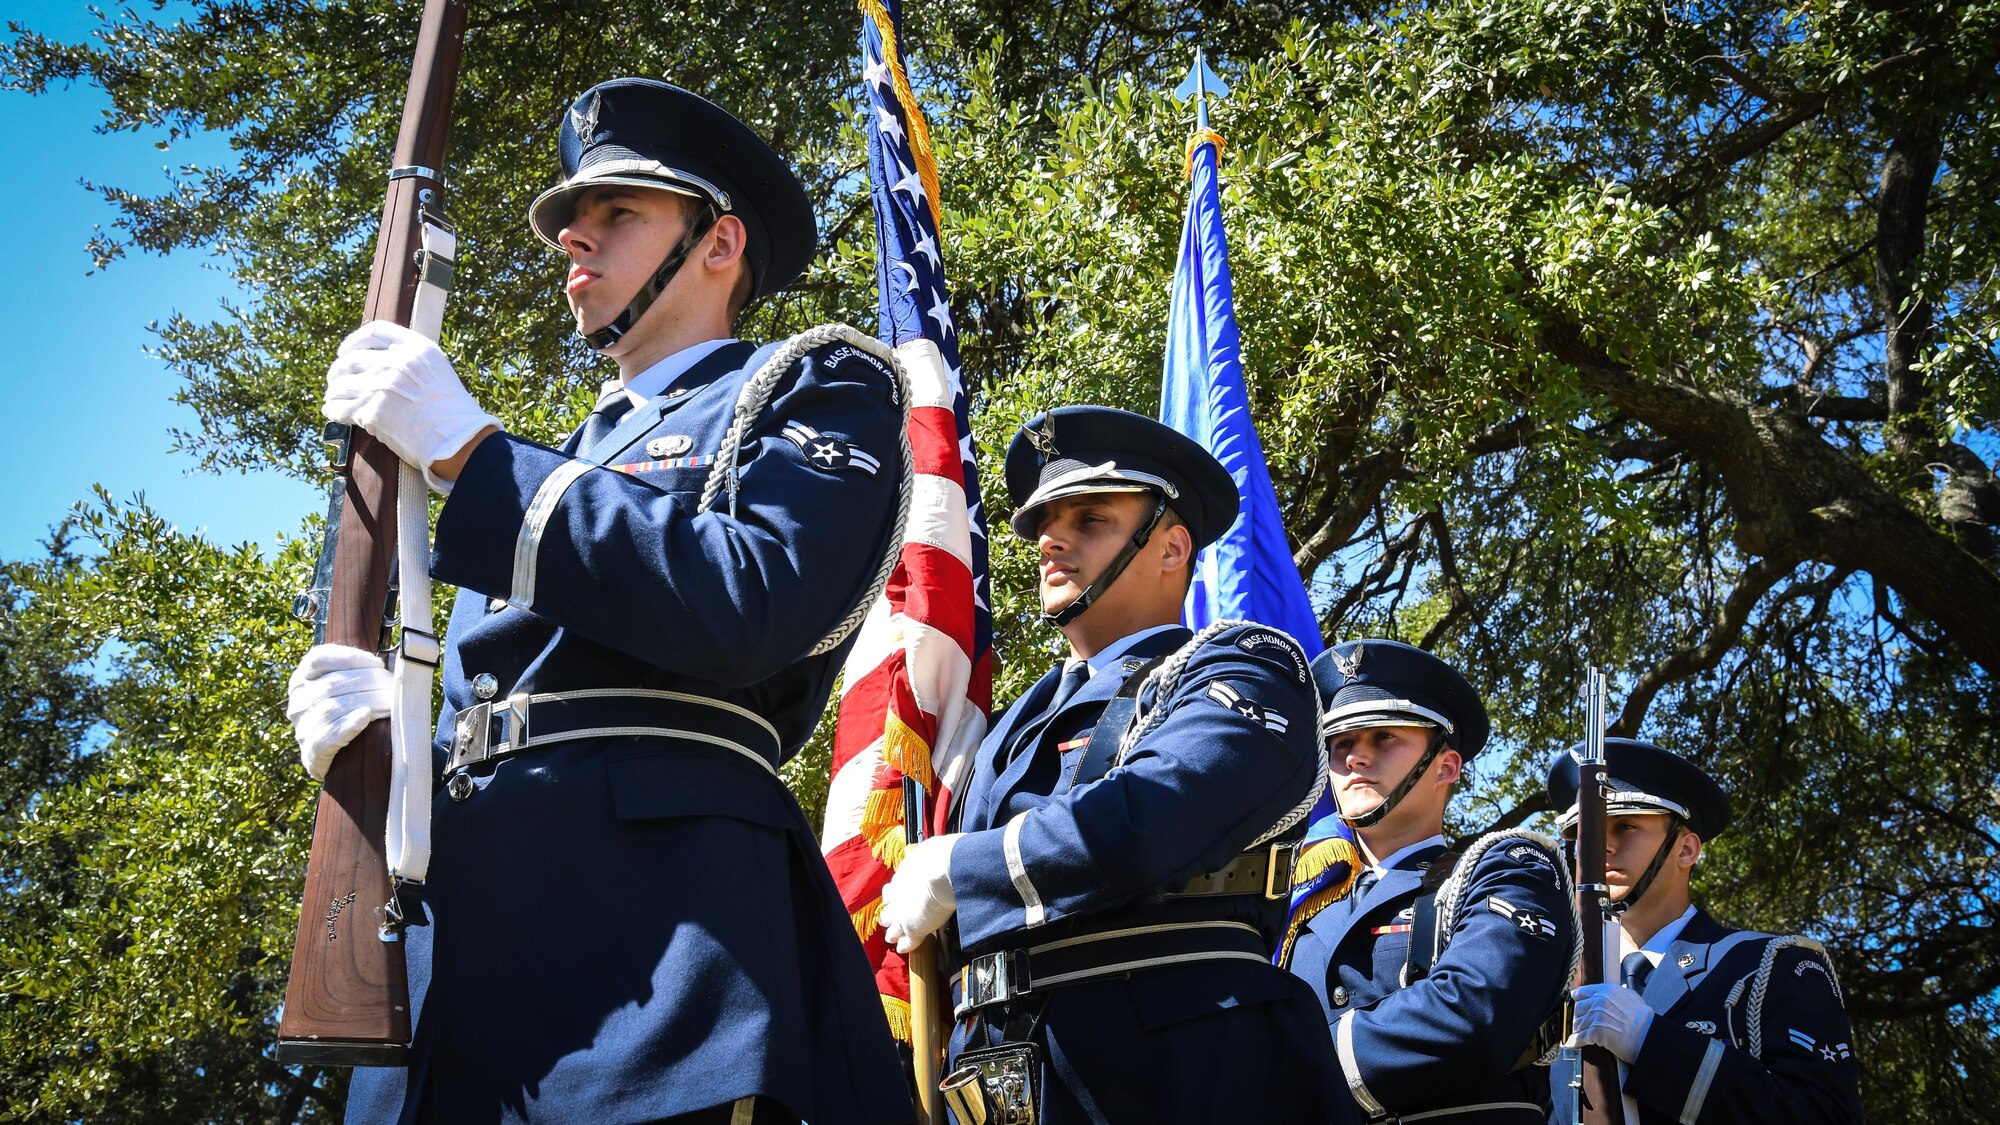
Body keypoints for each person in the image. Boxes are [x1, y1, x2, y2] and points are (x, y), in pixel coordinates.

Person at [283, 77, 912, 1124]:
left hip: (659, 931)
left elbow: (749, 600)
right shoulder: (551, 462)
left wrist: (473, 456)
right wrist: (383, 742)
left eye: (617, 212)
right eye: (571, 218)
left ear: (718, 244)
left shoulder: (813, 388)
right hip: (473, 954)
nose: (574, 236)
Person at [877, 405, 1342, 1124]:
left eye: (1090, 519)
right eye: (1043, 525)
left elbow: (1154, 811)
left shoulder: (1246, 667)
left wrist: (961, 869)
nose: (1052, 539)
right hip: (1007, 1081)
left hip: (1185, 1075)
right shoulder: (1006, 727)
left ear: (1171, 547)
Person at [1282, 639, 1579, 1123]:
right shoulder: (1299, 898)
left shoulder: (1508, 869)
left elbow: (1475, 1015)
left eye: (1383, 738)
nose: (1356, 758)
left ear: (1446, 766)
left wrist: (1284, 1072)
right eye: (1342, 745)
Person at [1546, 738, 1863, 1124]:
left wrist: (1649, 1039)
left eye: (1626, 826)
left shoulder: (1768, 964)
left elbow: (1824, 1114)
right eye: (1585, 834)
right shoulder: (1554, 988)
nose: (1601, 848)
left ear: (1686, 850)